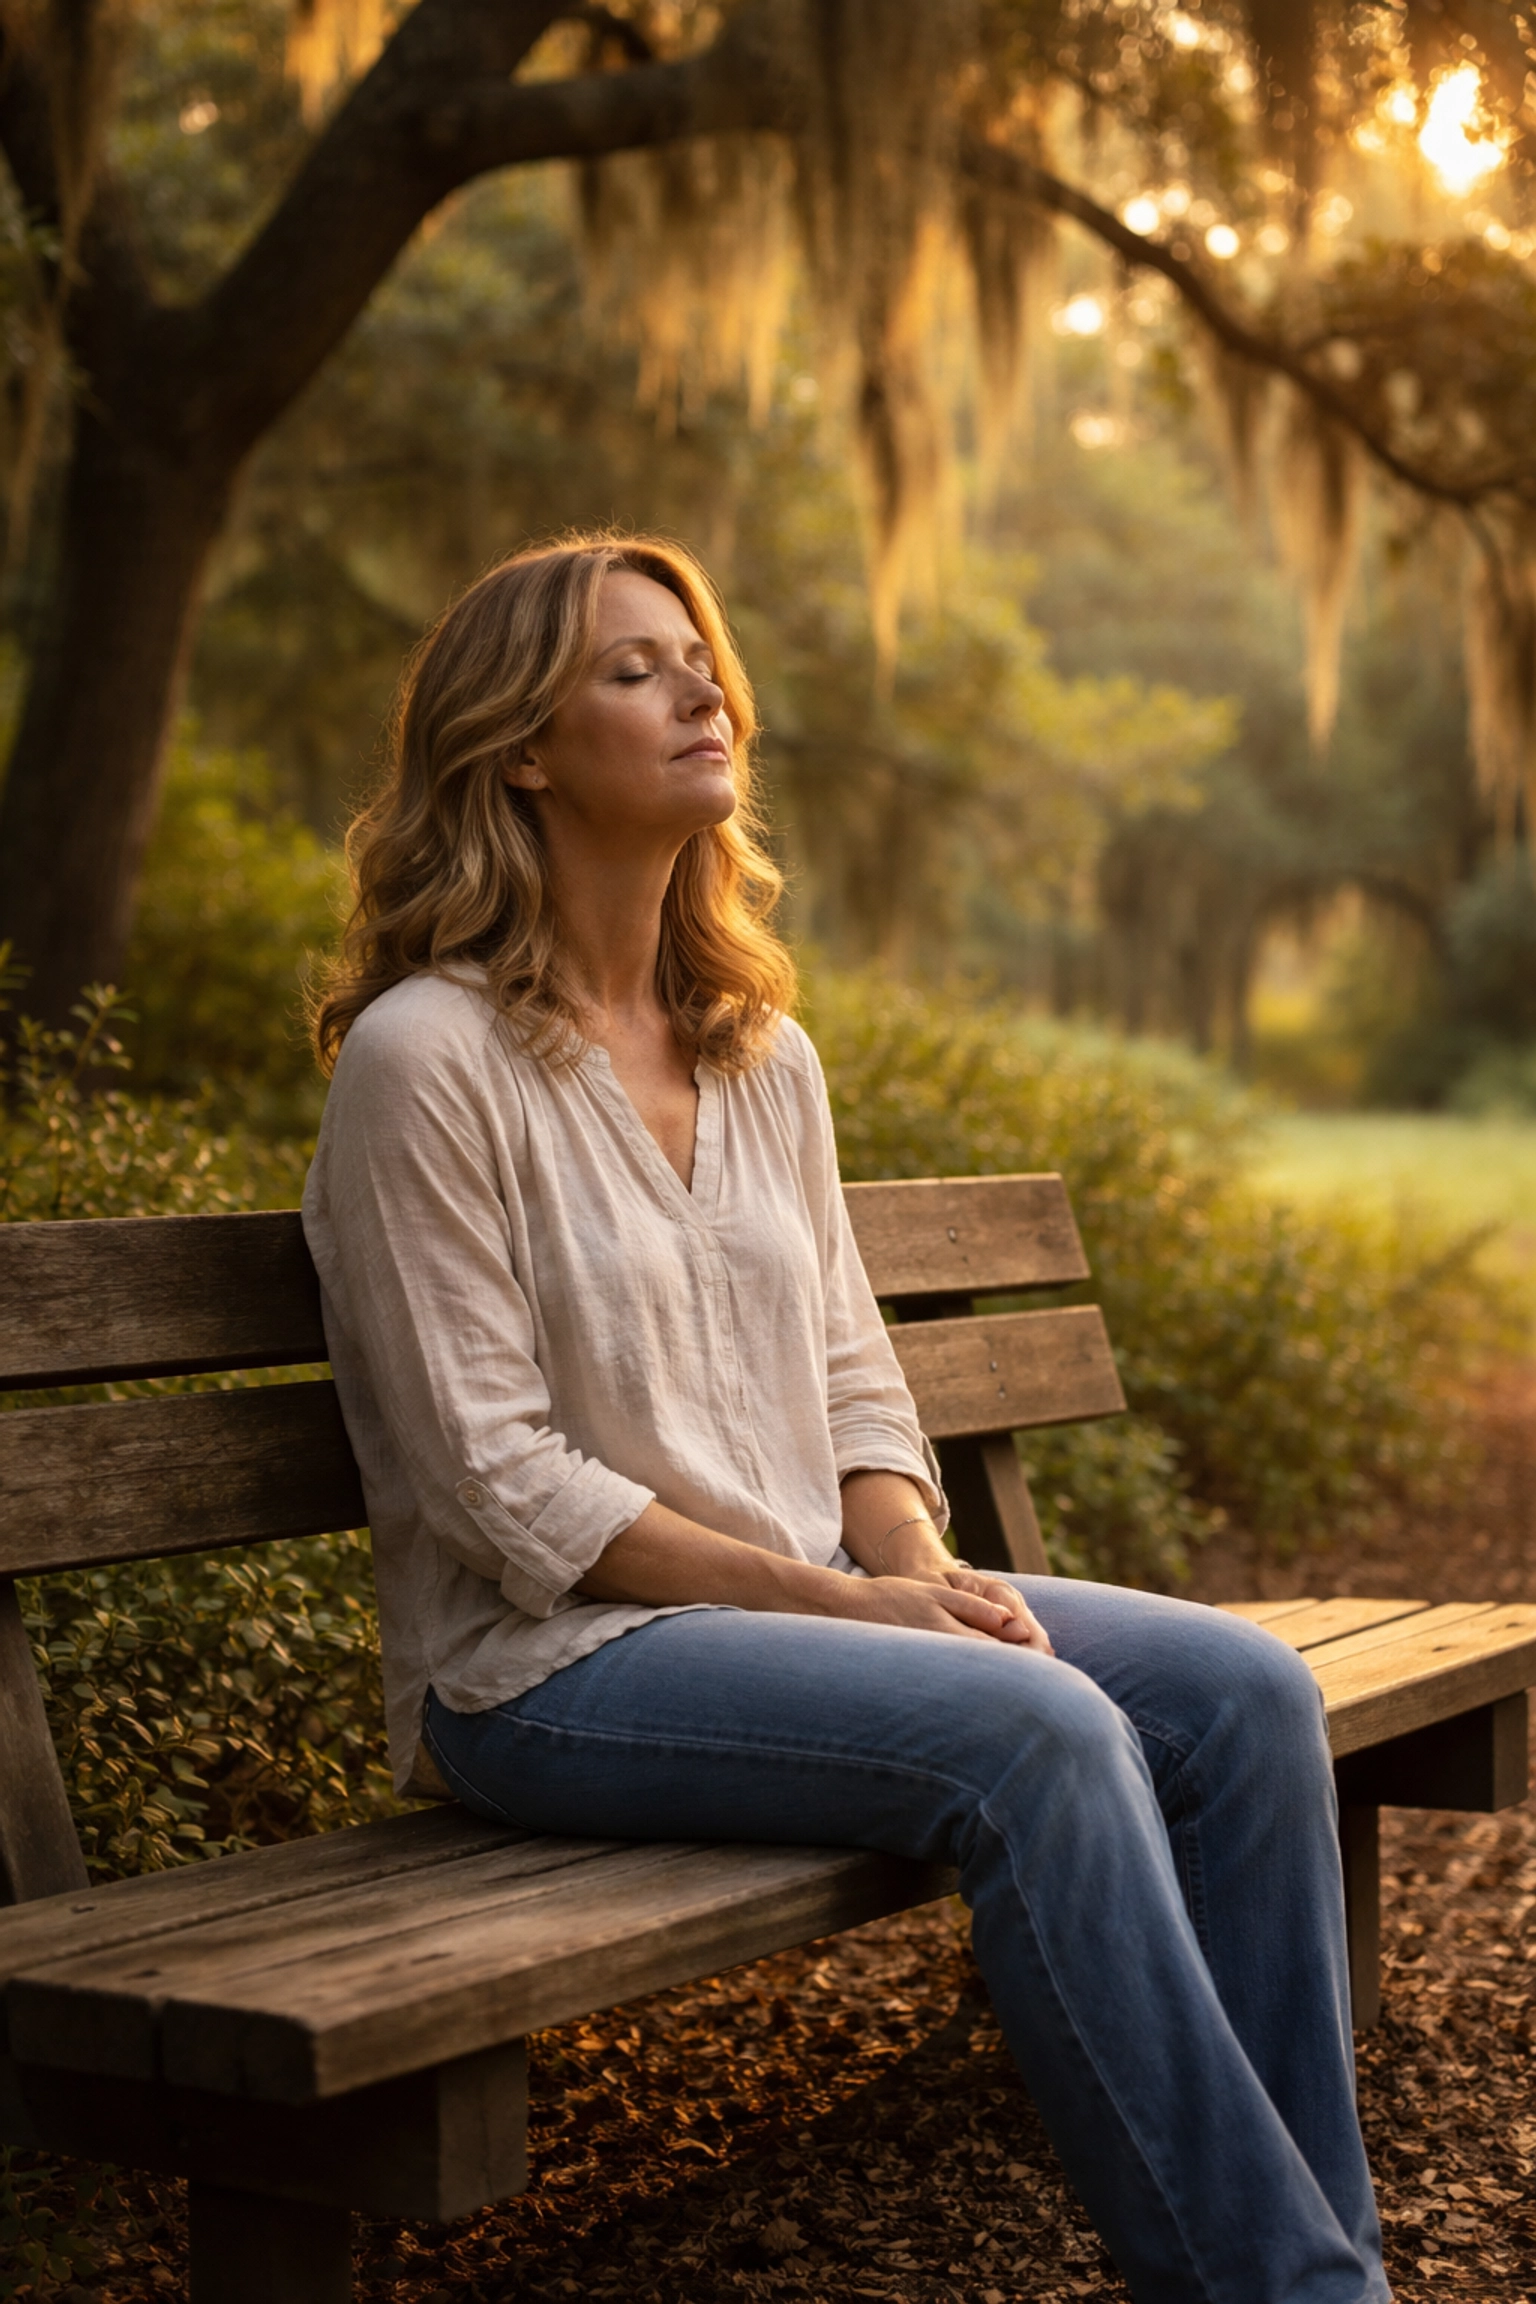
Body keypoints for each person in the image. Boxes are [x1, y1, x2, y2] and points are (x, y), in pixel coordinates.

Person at [304, 534, 1390, 2304]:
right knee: (1037, 1736)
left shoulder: (757, 1048)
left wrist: (911, 1556)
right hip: (553, 1666)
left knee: (1246, 1695)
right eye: (633, 668)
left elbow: (846, 1365)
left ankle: (1323, 2254)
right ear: (516, 748)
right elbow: (497, 1486)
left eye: (699, 657)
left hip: (809, 1598)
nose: (698, 687)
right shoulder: (426, 1060)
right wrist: (847, 1609)